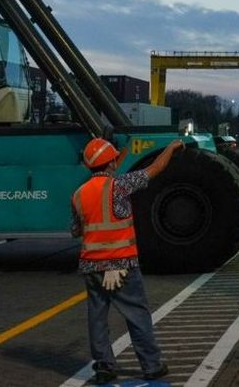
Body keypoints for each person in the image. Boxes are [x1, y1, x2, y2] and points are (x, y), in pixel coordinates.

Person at [71, 136, 184, 384]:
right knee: (137, 313)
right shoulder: (119, 186)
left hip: (91, 265)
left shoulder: (78, 194)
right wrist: (171, 148)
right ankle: (151, 365)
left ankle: (104, 366)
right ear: (111, 163)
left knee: (97, 315)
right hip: (122, 263)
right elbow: (155, 169)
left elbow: (76, 230)